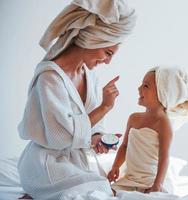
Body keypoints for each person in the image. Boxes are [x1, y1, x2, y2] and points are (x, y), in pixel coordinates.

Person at [17, 0, 136, 199]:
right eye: (108, 53)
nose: (108, 61)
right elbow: (60, 137)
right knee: (95, 192)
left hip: (77, 162)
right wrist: (105, 106)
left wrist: (98, 137)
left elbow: (88, 126)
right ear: (93, 39)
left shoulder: (90, 75)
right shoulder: (50, 78)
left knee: (104, 189)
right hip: (47, 163)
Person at [107, 66, 188, 194]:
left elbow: (164, 156)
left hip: (151, 181)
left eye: (146, 86)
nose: (139, 89)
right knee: (108, 192)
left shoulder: (163, 124)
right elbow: (125, 146)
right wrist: (115, 166)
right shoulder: (134, 118)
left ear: (163, 93)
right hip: (130, 178)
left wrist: (158, 184)